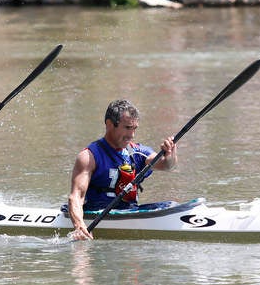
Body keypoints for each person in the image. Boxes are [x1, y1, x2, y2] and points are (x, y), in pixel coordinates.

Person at [67, 100, 178, 240]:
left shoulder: (137, 152)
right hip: (96, 213)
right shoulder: (89, 157)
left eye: (134, 128)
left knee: (171, 205)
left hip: (129, 212)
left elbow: (167, 165)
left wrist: (170, 153)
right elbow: (75, 197)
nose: (132, 135)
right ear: (109, 124)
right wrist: (79, 226)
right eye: (127, 127)